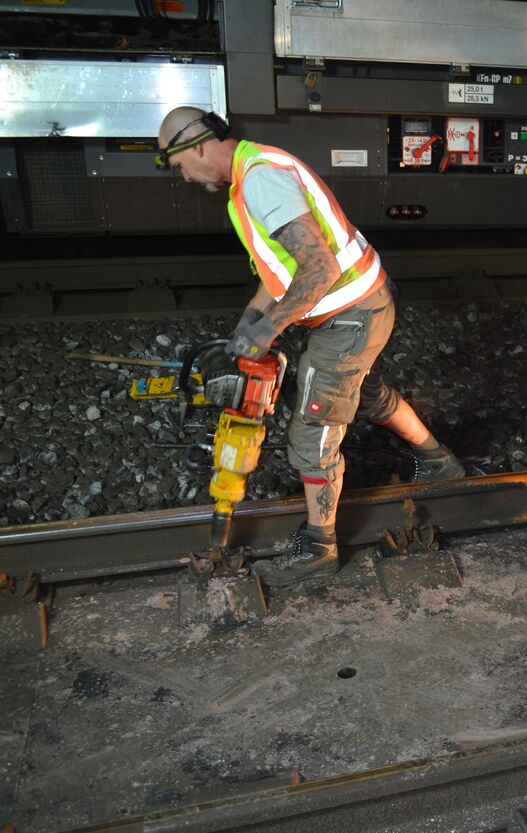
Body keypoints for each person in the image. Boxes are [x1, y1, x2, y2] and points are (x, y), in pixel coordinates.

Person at [156, 107, 464, 588]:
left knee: (314, 426)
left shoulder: (260, 181)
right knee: (366, 392)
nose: (186, 178)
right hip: (364, 304)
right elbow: (282, 268)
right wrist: (249, 321)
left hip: (351, 316)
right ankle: (438, 461)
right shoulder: (252, 174)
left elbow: (319, 267)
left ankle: (320, 547)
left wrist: (267, 330)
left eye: (179, 166)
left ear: (196, 145)